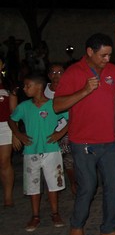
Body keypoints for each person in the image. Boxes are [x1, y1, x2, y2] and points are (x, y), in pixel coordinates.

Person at [53, 33, 115, 235]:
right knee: (88, 186)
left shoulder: (112, 71)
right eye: (103, 55)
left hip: (109, 142)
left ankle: (108, 229)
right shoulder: (74, 72)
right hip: (83, 142)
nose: (107, 59)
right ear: (90, 52)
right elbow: (57, 106)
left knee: (113, 186)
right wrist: (84, 90)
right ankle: (76, 226)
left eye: (109, 55)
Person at [9, 73, 68, 231]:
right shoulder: (24, 106)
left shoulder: (53, 104)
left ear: (39, 87)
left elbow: (71, 118)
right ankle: (35, 216)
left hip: (51, 150)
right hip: (31, 151)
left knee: (53, 183)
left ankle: (55, 213)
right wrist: (18, 134)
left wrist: (60, 133)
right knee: (32, 184)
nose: (25, 88)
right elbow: (12, 120)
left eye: (28, 85)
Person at [44, 63, 78, 196]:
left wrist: (63, 131)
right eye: (53, 72)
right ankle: (53, 188)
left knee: (69, 158)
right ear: (49, 75)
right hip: (48, 131)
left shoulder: (70, 89)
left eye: (60, 72)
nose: (57, 76)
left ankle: (73, 183)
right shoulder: (43, 92)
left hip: (67, 129)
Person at [0, 57, 18, 207]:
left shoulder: (8, 85)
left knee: (4, 161)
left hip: (5, 126)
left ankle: (8, 195)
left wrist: (15, 134)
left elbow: (14, 112)